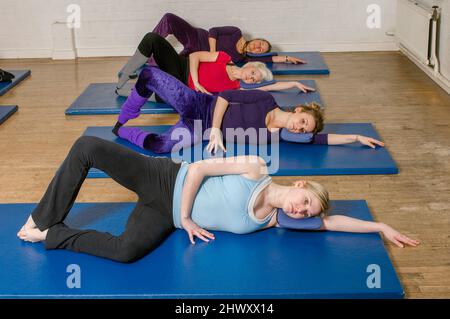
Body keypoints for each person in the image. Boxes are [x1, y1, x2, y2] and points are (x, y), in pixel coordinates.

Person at [17, 136, 419, 263]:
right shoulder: (256, 167)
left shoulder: (275, 219)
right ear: (301, 186)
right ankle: (40, 218)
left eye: (306, 214)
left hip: (163, 216)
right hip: (164, 178)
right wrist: (189, 218)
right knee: (88, 147)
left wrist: (380, 226)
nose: (301, 211)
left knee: (127, 252)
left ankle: (51, 235)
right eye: (306, 202)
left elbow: (333, 222)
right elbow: (197, 169)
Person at [113, 66, 384, 153]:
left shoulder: (279, 136)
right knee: (149, 76)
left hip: (197, 130)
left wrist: (356, 137)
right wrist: (217, 131)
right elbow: (225, 96)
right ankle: (128, 113)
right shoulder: (266, 101)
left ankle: (124, 131)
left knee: (160, 147)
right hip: (200, 105)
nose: (298, 127)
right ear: (299, 109)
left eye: (303, 129)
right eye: (302, 120)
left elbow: (322, 139)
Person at [116, 33, 312, 97]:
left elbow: (272, 86)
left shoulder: (238, 87)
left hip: (180, 88)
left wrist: (294, 83)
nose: (251, 77)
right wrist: (198, 83)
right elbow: (194, 57)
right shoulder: (223, 57)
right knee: (152, 39)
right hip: (181, 68)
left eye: (254, 79)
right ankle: (125, 74)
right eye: (253, 72)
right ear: (250, 66)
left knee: (139, 91)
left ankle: (122, 90)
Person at [152, 13, 305, 63]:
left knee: (172, 68)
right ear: (256, 39)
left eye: (260, 50)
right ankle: (148, 55)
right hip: (197, 38)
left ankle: (151, 66)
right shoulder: (236, 32)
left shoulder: (243, 58)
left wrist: (287, 58)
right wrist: (213, 53)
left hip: (196, 56)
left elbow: (269, 59)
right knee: (169, 18)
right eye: (259, 44)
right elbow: (213, 31)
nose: (257, 47)